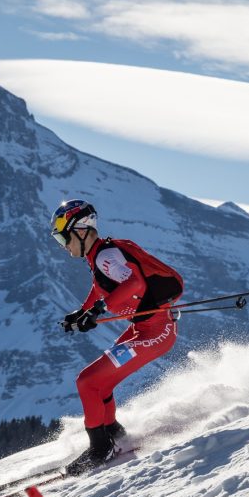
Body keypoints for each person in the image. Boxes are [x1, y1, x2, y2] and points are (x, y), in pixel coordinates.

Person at [50, 199, 184, 474]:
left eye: (63, 238)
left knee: (87, 382)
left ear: (81, 230)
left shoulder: (104, 256)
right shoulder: (99, 255)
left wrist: (98, 311)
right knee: (99, 384)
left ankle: (101, 448)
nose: (63, 246)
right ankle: (114, 434)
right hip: (143, 329)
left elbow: (134, 282)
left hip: (156, 332)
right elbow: (100, 288)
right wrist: (82, 312)